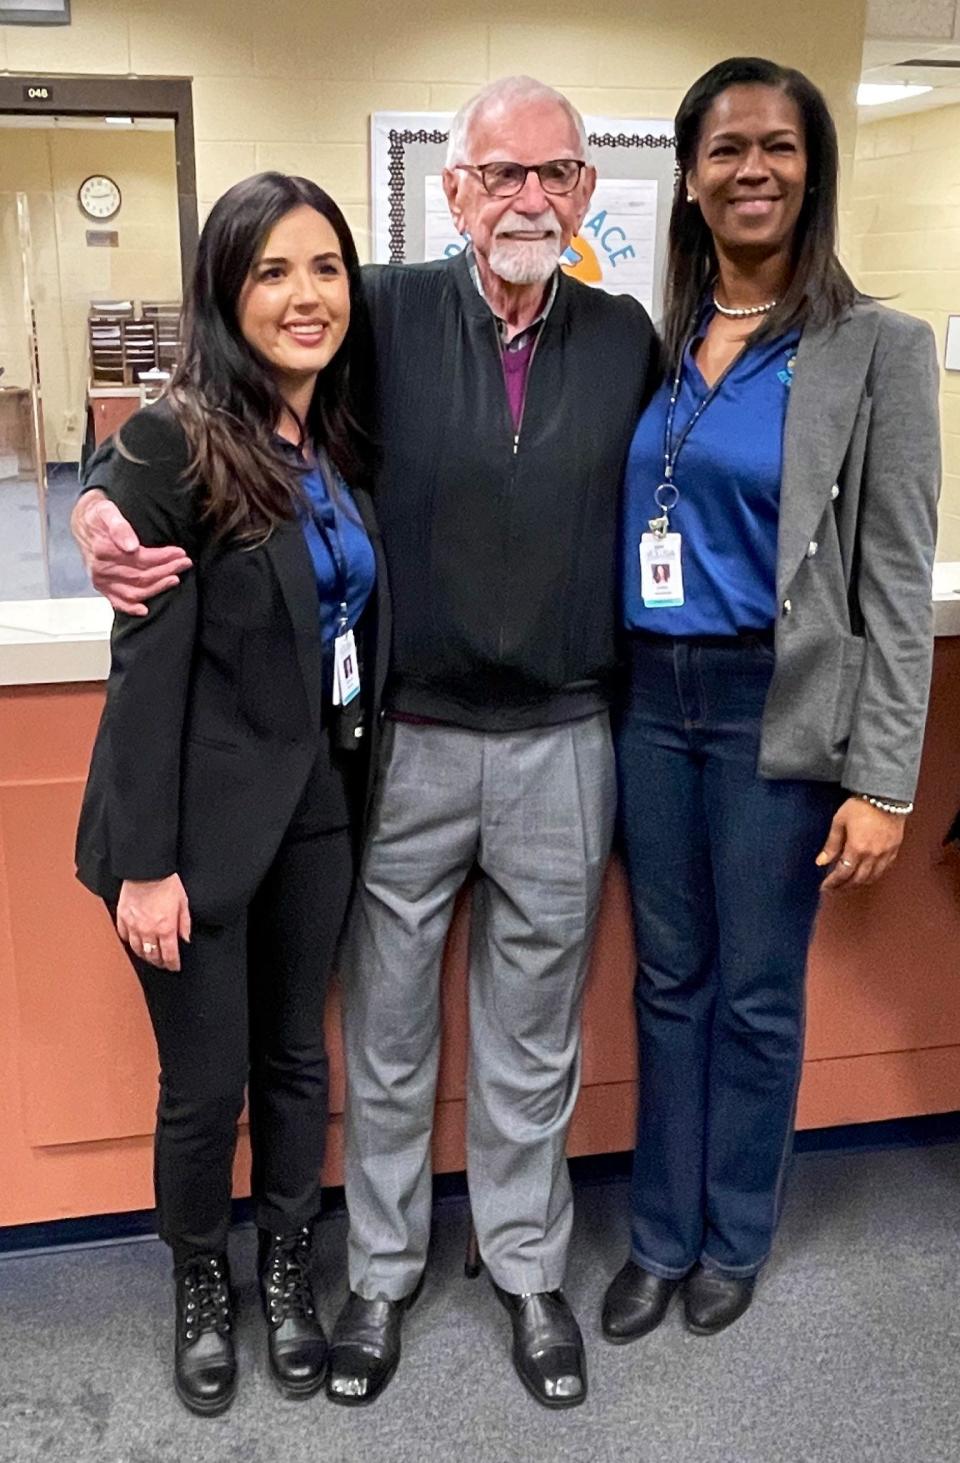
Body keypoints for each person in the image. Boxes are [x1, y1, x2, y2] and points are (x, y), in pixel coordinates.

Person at [71, 76, 658, 1410]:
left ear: (583, 192)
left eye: (555, 173)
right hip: (408, 746)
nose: (527, 198)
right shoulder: (376, 311)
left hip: (568, 737)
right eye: (499, 173)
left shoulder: (627, 336)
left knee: (532, 1034)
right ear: (452, 189)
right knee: (385, 1032)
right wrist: (100, 501)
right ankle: (381, 1271)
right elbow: (201, 408)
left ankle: (521, 1264)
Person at [602, 56, 940, 1347]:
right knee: (666, 981)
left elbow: (895, 580)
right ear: (687, 180)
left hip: (773, 709)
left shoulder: (875, 350)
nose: (754, 169)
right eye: (727, 149)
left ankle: (732, 1234)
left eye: (780, 147)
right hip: (648, 699)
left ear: (813, 170)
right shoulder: (659, 341)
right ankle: (657, 1234)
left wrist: (885, 778)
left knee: (754, 990)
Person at [75, 172, 389, 1415]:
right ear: (224, 291)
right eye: (271, 272)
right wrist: (146, 864)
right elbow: (141, 671)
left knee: (295, 1062)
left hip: (317, 800)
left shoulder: (338, 433)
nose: (305, 296)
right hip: (192, 831)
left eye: (325, 268)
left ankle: (290, 1265)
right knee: (206, 1083)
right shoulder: (172, 437)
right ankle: (203, 1277)